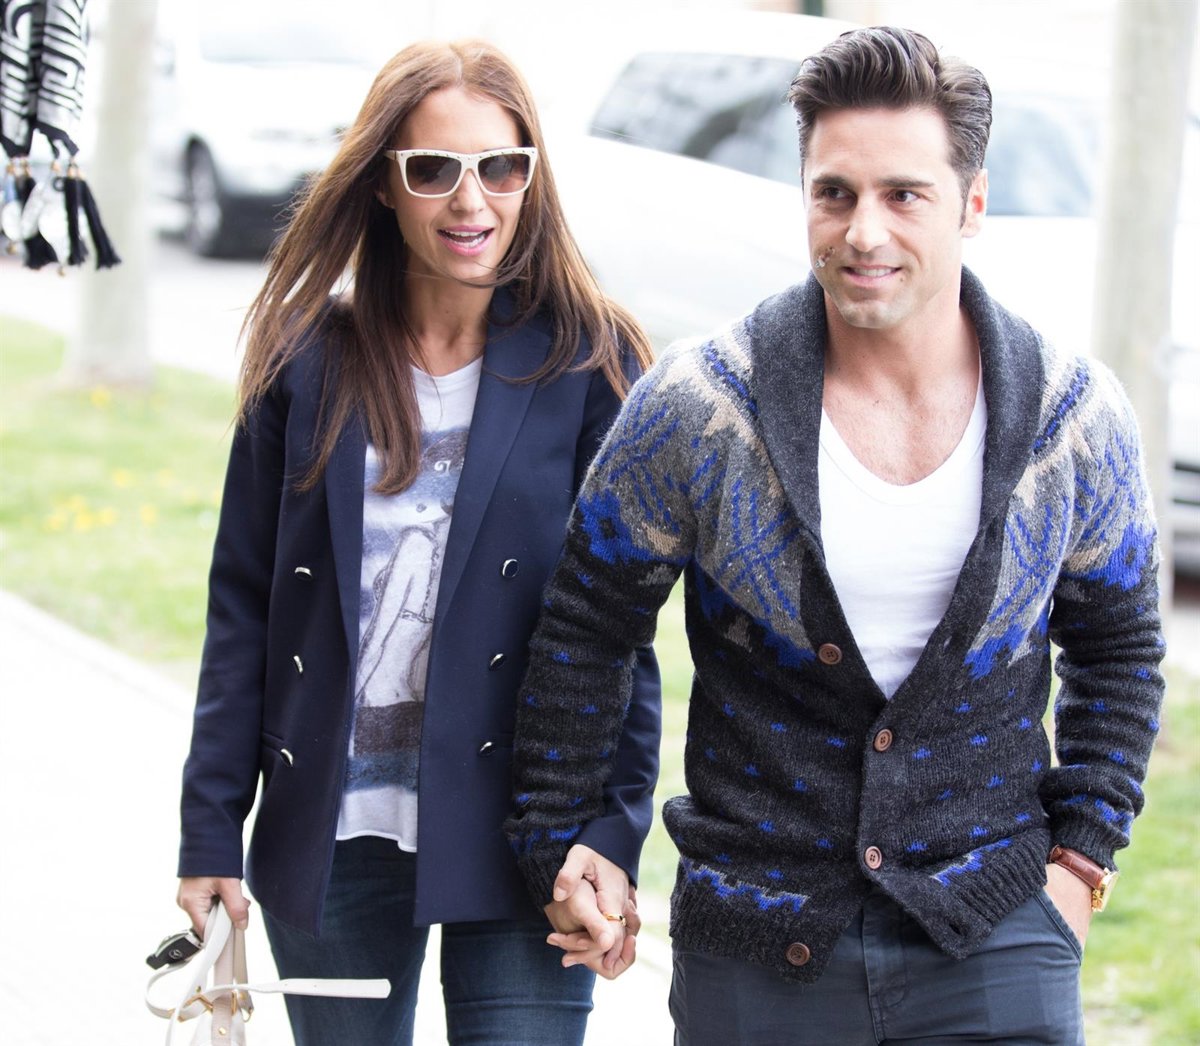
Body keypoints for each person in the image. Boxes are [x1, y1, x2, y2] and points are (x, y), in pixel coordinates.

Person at [504, 25, 1165, 1045]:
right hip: (757, 943)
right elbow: (587, 625)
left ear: (971, 204)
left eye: (904, 195)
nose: (863, 231)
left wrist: (1080, 860)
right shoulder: (701, 407)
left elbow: (1119, 648)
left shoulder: (1069, 418)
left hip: (994, 931)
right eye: (834, 193)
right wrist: (565, 834)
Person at [174, 39, 660, 1046]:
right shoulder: (305, 359)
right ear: (382, 184)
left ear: (530, 177)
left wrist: (614, 832)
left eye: (501, 166)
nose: (470, 199)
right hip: (335, 830)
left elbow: (620, 630)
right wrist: (210, 828)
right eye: (433, 168)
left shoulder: (589, 362)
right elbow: (245, 607)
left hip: (531, 832)